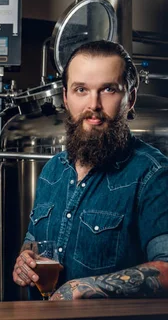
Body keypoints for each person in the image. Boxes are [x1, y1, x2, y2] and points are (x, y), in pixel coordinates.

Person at [12, 40, 168, 300]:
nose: (93, 105)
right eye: (81, 90)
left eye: (108, 89)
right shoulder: (52, 171)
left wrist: (86, 287)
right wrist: (24, 261)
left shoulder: (152, 175)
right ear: (65, 97)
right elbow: (33, 242)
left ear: (130, 98)